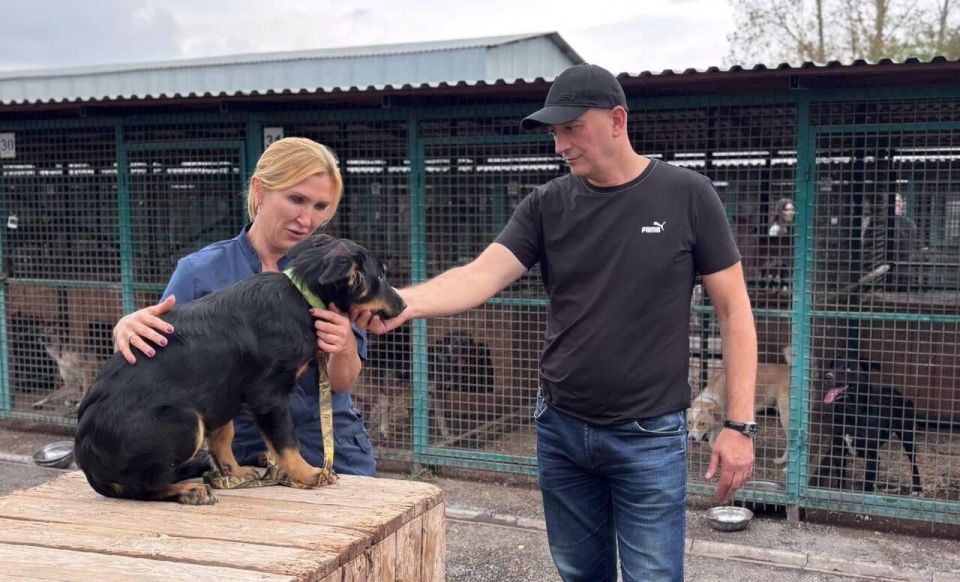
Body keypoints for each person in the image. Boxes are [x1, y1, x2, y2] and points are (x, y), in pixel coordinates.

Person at [351, 64, 757, 581]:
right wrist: (400, 302)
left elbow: (734, 310)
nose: (560, 145)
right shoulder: (547, 205)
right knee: (579, 574)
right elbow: (479, 275)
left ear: (617, 120)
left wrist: (738, 425)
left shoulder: (688, 195)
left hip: (648, 434)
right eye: (554, 133)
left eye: (572, 128)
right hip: (562, 428)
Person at [111, 137, 375, 477]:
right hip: (244, 460)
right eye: (296, 199)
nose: (306, 219)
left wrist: (344, 345)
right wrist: (127, 330)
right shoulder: (200, 273)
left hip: (332, 452)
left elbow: (342, 383)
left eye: (320, 206)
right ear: (259, 191)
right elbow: (159, 365)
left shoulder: (332, 271)